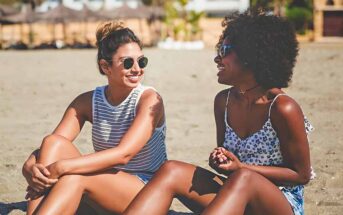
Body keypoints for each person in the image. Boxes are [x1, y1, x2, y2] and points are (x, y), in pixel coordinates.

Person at [123, 9, 314, 215]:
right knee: (172, 169)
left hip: (279, 203)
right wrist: (221, 161)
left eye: (224, 50)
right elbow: (228, 164)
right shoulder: (224, 101)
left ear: (250, 55)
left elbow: (301, 175)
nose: (217, 58)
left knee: (244, 178)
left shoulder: (282, 107)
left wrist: (242, 167)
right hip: (236, 192)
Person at [21, 21, 167, 215]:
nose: (137, 69)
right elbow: (51, 148)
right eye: (128, 62)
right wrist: (30, 166)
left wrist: (62, 167)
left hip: (146, 190)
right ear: (105, 67)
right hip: (106, 184)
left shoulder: (149, 99)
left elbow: (124, 155)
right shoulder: (88, 101)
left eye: (142, 61)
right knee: (52, 142)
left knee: (75, 176)